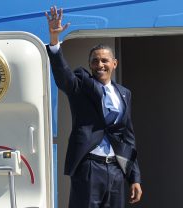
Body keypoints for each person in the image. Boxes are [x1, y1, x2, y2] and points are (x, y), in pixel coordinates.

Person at [45, 6, 142, 208]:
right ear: (90, 65)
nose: (100, 65)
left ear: (114, 63)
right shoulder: (82, 85)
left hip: (116, 169)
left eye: (104, 60)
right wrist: (54, 43)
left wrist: (135, 177)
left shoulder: (124, 93)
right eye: (95, 61)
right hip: (89, 167)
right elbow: (64, 79)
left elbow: (128, 137)